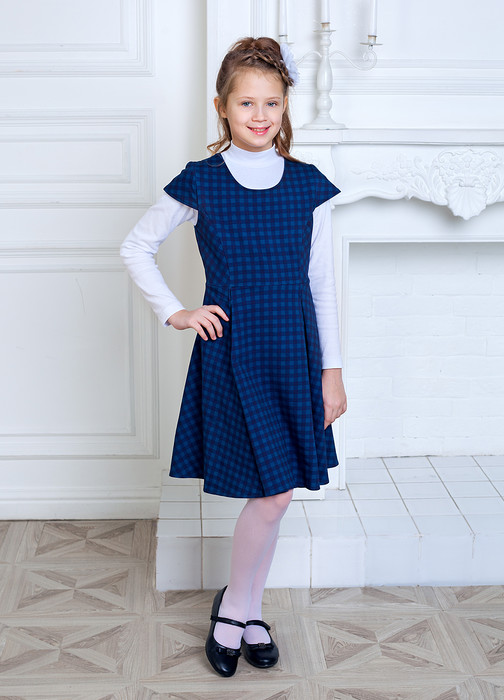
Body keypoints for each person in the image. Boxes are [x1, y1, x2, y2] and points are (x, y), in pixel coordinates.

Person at [120, 36, 347, 677]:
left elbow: (322, 284)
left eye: (271, 102)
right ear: (221, 106)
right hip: (235, 355)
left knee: (278, 493)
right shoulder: (201, 181)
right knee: (271, 493)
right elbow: (136, 246)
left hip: (294, 354)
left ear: (285, 106)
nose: (259, 114)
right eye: (246, 102)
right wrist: (178, 311)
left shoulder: (307, 186)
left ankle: (241, 609)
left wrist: (332, 371)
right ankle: (239, 610)